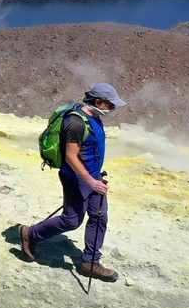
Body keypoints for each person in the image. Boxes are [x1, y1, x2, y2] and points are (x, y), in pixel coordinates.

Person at [18, 82, 127, 283]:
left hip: (94, 177)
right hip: (76, 179)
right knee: (71, 221)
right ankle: (30, 233)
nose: (112, 109)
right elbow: (71, 156)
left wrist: (96, 177)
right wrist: (91, 182)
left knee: (99, 216)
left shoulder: (94, 117)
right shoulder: (76, 123)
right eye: (110, 104)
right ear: (98, 101)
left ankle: (90, 263)